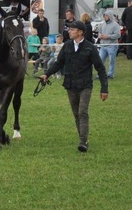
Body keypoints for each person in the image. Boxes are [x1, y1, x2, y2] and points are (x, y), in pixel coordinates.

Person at [41, 20, 109, 153]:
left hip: (85, 85)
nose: (69, 31)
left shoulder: (90, 47)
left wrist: (104, 88)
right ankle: (82, 138)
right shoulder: (66, 46)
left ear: (80, 32)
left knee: (82, 112)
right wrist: (46, 74)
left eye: (72, 30)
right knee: (76, 114)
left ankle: (83, 142)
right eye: (70, 29)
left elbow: (100, 69)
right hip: (70, 85)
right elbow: (58, 63)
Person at [96, 11, 121, 79]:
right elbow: (99, 32)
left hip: (112, 45)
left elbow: (118, 35)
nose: (105, 17)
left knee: (111, 61)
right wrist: (100, 36)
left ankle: (110, 74)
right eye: (104, 16)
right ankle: (100, 74)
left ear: (110, 16)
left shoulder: (115, 25)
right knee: (100, 61)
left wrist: (108, 36)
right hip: (103, 46)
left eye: (106, 15)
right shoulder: (102, 24)